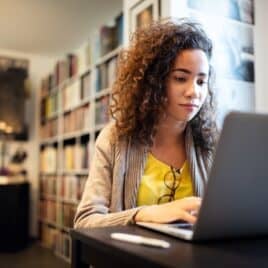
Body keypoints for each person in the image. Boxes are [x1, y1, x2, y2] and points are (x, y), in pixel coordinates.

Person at [74, 19, 218, 228]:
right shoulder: (114, 138)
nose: (194, 92)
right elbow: (84, 221)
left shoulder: (212, 143)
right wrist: (144, 214)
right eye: (180, 78)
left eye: (201, 81)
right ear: (154, 81)